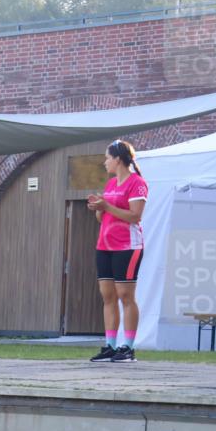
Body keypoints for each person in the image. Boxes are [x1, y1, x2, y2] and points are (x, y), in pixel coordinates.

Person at [88, 139, 148, 363]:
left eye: (107, 157)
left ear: (118, 159)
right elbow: (102, 216)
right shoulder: (111, 184)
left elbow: (135, 216)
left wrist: (107, 206)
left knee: (125, 296)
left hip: (128, 246)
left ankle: (128, 348)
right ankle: (110, 346)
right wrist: (97, 208)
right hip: (104, 245)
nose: (104, 162)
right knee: (108, 296)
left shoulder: (137, 183)